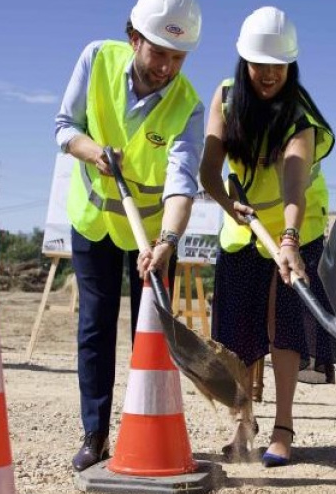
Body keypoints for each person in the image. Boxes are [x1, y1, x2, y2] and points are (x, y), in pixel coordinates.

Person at [54, 0, 204, 472]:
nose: (166, 67)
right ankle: (94, 433)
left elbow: (182, 185)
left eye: (177, 57)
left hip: (154, 240)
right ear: (134, 38)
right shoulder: (97, 57)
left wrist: (168, 241)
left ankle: (147, 434)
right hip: (94, 222)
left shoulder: (188, 106)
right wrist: (93, 151)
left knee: (151, 336)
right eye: (158, 52)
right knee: (96, 327)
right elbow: (64, 128)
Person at [199, 6, 336, 468]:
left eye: (279, 64)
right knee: (239, 331)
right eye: (260, 63)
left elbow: (294, 189)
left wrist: (291, 241)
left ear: (291, 65)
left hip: (298, 226)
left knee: (286, 327)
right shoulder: (225, 98)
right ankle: (243, 420)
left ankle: (283, 426)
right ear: (244, 62)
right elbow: (209, 172)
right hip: (242, 224)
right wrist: (226, 204)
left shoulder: (299, 117)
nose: (269, 73)